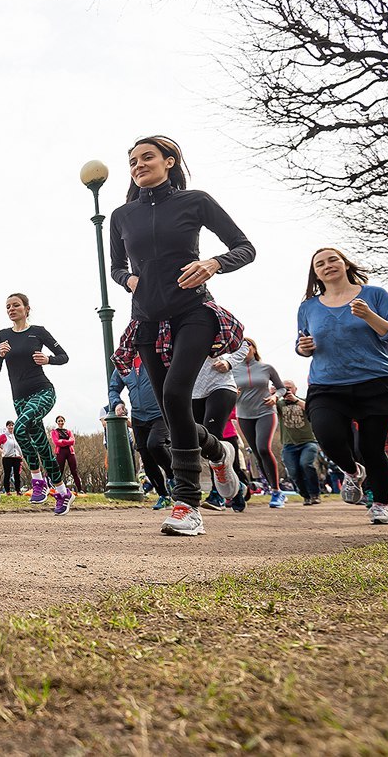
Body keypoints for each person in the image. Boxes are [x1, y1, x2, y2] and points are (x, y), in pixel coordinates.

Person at [110, 136, 253, 537]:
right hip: (147, 320)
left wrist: (213, 264)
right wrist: (129, 279)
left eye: (147, 157)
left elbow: (245, 247)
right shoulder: (122, 215)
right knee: (175, 412)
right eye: (133, 160)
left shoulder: (195, 201)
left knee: (175, 396)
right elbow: (115, 267)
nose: (138, 165)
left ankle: (188, 503)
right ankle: (218, 453)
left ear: (169, 162)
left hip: (193, 312)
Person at [297, 247, 388, 525]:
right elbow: (302, 343)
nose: (328, 266)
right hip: (327, 384)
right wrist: (303, 348)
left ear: (345, 264)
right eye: (320, 264)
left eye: (333, 259)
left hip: (375, 381)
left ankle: (381, 504)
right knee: (328, 436)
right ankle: (351, 471)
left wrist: (369, 316)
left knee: (373, 448)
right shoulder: (308, 307)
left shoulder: (374, 295)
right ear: (315, 273)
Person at [0, 293, 73, 514]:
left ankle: (37, 481)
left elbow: (64, 356)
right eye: (7, 306)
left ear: (27, 308)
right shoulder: (3, 335)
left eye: (16, 305)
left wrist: (48, 359)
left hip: (43, 391)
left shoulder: (38, 332)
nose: (11, 309)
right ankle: (63, 492)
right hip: (19, 398)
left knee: (19, 427)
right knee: (44, 448)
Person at [191, 340, 251, 511]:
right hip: (193, 392)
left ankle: (218, 494)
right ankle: (238, 488)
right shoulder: (168, 332)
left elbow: (244, 344)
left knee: (212, 437)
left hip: (220, 385)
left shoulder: (210, 319)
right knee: (205, 445)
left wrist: (229, 362)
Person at [109, 355, 173, 509]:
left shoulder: (154, 358)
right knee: (146, 456)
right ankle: (163, 495)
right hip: (138, 416)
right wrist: (117, 403)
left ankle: (173, 477)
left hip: (160, 413)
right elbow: (113, 388)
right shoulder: (123, 365)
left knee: (155, 445)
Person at [233, 338, 289, 508]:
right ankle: (273, 490)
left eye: (247, 345)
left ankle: (277, 491)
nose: (244, 348)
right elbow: (225, 390)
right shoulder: (232, 370)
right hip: (244, 415)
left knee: (264, 448)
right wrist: (232, 393)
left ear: (253, 348)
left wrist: (275, 397)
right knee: (257, 453)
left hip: (265, 412)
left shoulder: (266, 368)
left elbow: (281, 388)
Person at [276, 380, 320, 504]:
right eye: (285, 388)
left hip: (308, 442)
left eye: (290, 388)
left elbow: (311, 409)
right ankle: (305, 495)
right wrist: (273, 394)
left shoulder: (303, 401)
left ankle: (315, 494)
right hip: (289, 444)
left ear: (295, 389)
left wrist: (295, 400)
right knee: (293, 472)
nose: (288, 390)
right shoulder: (280, 404)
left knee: (306, 464)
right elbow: (266, 406)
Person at [50, 416, 82, 495]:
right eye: (59, 421)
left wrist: (62, 441)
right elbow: (56, 442)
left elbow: (72, 441)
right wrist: (66, 441)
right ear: (57, 422)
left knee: (74, 471)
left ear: (64, 422)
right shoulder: (54, 431)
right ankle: (57, 489)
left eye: (62, 421)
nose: (60, 422)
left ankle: (80, 489)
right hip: (60, 452)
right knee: (59, 470)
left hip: (70, 452)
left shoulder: (68, 431)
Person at [0, 421, 24, 495]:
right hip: (7, 457)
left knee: (17, 475)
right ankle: (7, 491)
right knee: (7, 474)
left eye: (12, 425)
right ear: (7, 427)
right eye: (9, 425)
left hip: (17, 457)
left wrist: (21, 455)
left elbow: (20, 446)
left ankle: (18, 490)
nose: (11, 427)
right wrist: (2, 451)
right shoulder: (4, 436)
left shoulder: (17, 435)